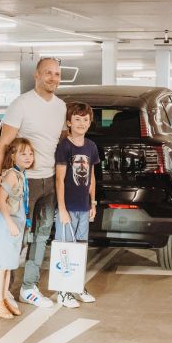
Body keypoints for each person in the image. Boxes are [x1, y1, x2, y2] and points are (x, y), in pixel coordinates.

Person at [0, 57, 66, 309]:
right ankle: (5, 290)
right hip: (25, 183)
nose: (53, 78)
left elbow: (60, 144)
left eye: (57, 74)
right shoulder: (22, 104)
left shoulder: (61, 107)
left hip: (49, 181)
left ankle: (29, 288)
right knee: (17, 236)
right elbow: (4, 144)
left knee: (42, 236)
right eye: (48, 73)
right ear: (36, 75)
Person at [53, 102, 100, 308]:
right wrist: (62, 209)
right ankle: (63, 291)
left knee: (80, 248)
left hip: (84, 206)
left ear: (90, 123)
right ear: (69, 122)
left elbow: (92, 176)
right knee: (66, 249)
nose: (82, 123)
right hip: (68, 208)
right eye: (77, 119)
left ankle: (77, 286)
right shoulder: (65, 146)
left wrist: (93, 203)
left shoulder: (91, 146)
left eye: (85, 120)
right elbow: (59, 179)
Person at [0, 138, 35, 319]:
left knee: (7, 265)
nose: (28, 157)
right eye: (23, 153)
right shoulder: (12, 175)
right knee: (0, 266)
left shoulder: (21, 174)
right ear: (13, 156)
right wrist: (10, 222)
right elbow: (0, 199)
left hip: (15, 225)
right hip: (6, 226)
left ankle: (4, 298)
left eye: (30, 153)